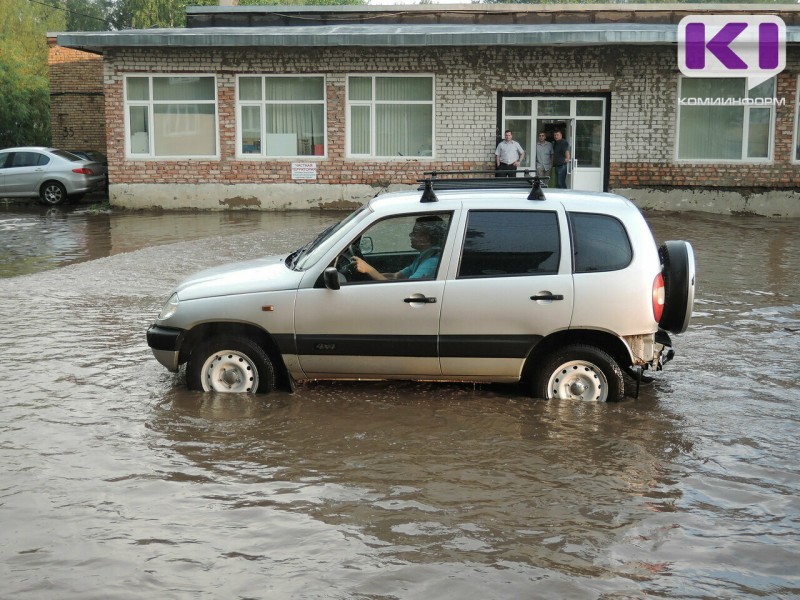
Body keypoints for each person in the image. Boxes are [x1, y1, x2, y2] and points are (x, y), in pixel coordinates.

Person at [353, 216, 444, 281]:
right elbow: (396, 276)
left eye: (415, 232)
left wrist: (369, 269)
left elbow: (405, 288)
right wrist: (369, 275)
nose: (411, 235)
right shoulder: (424, 257)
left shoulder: (432, 262)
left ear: (426, 238)